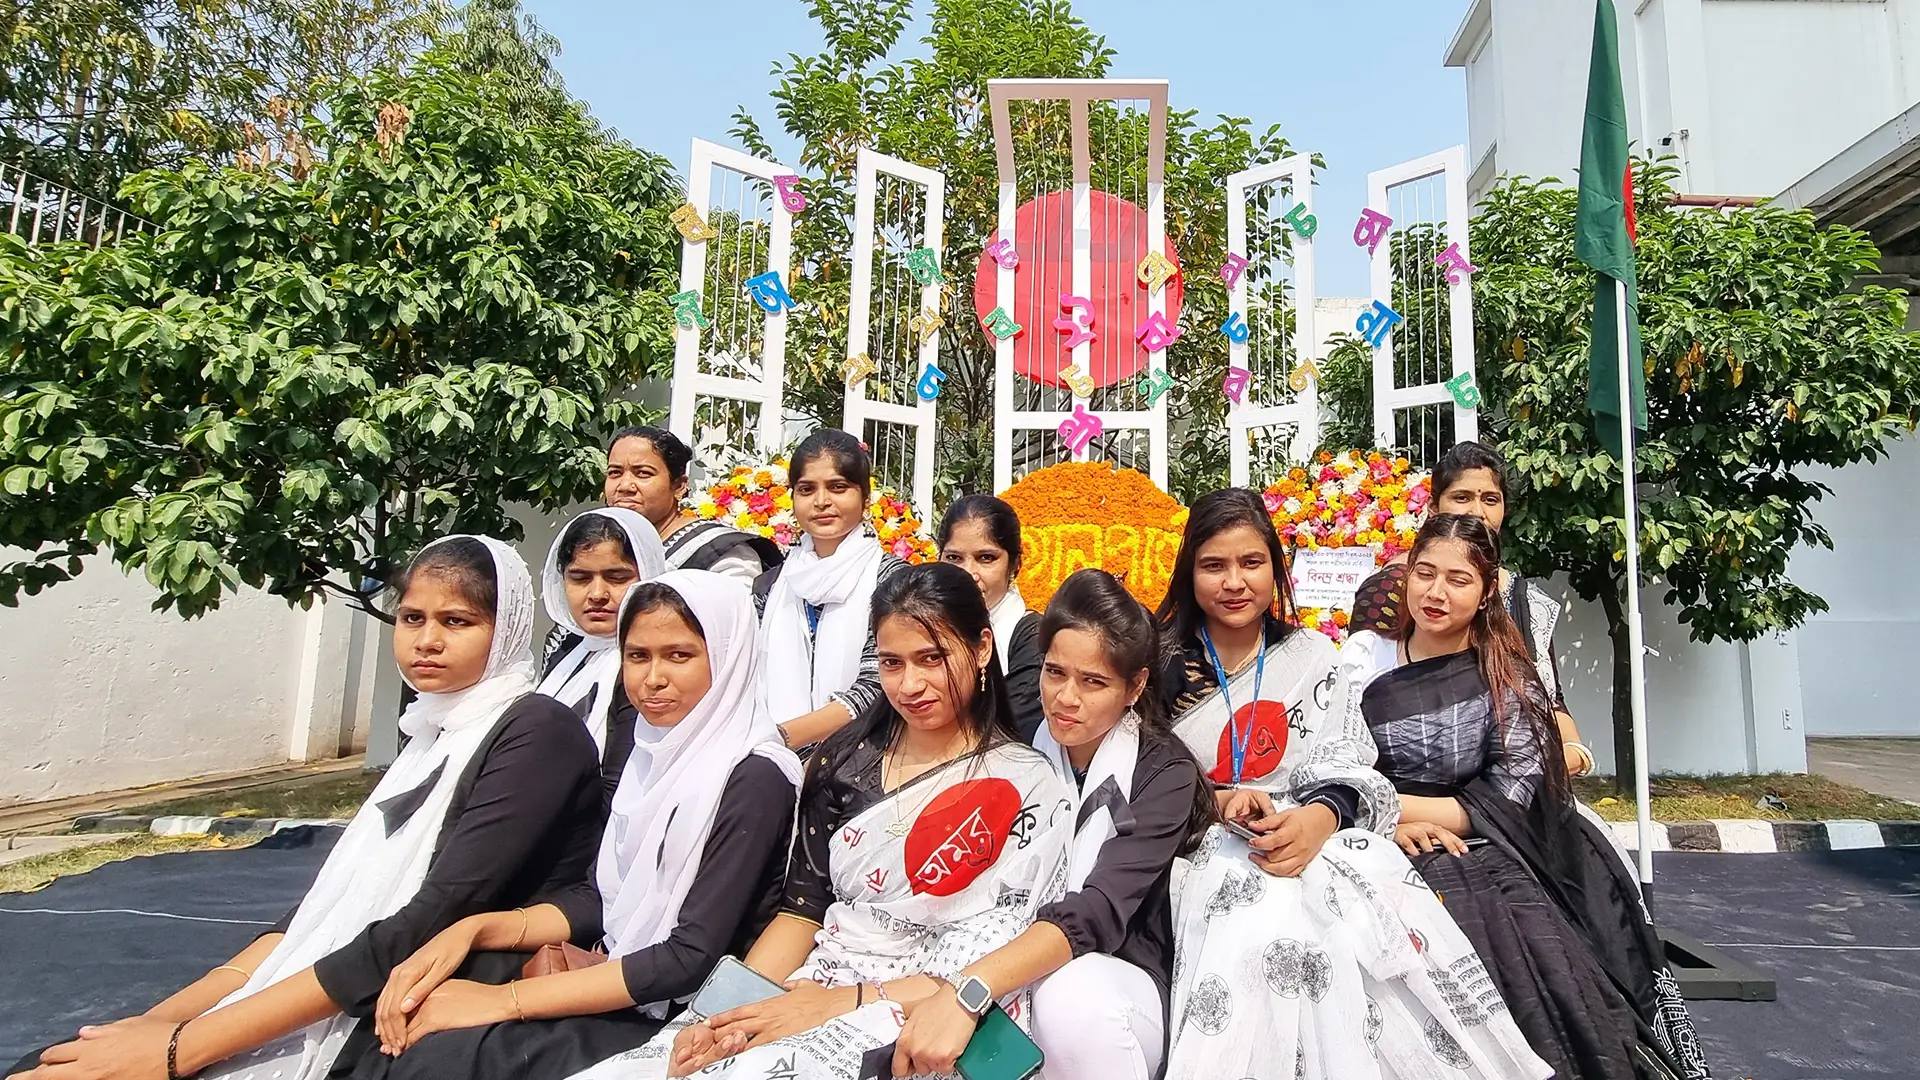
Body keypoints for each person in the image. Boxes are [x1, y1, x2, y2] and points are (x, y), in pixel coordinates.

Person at [11, 537, 603, 1080]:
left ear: (506, 632)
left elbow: (432, 914)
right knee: (55, 1062)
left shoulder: (535, 731)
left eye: (458, 621)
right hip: (357, 975)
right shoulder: (432, 731)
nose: (427, 640)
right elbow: (319, 914)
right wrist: (158, 1024)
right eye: (412, 618)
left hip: (430, 992)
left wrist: (178, 1052)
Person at [573, 563, 1074, 1080]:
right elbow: (801, 914)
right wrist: (721, 1013)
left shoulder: (1026, 783)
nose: (911, 684)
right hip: (815, 981)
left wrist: (843, 1004)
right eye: (891, 662)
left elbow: (996, 948)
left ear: (983, 648)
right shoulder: (845, 758)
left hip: (936, 1010)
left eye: (932, 658)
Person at [1155, 490, 1548, 1080]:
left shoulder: (1314, 656)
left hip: (1316, 832)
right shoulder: (1159, 665)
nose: (1234, 582)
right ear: (1189, 572)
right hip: (1198, 838)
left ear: (1276, 568)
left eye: (1251, 563)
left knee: (1354, 928)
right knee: (1258, 925)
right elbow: (1140, 772)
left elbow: (1347, 755)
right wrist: (1216, 802)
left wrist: (1320, 818)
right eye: (1214, 565)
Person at [346, 571, 802, 1080]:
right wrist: (473, 930)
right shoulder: (653, 752)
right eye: (637, 656)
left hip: (686, 1016)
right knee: (411, 1017)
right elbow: (599, 896)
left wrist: (501, 1001)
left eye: (679, 656)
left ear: (730, 657)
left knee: (447, 1054)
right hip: (620, 976)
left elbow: (689, 957)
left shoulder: (753, 775)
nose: (652, 679)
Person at [1343, 513, 1709, 1080]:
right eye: (1424, 573)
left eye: (1458, 580)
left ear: (1488, 589)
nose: (1435, 593)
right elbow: (1331, 763)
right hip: (1372, 838)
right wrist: (1379, 821)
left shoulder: (1508, 673)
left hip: (1497, 841)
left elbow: (1509, 794)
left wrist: (1379, 803)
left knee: (1523, 935)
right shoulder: (1362, 658)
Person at [890, 568, 1213, 1080]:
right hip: (992, 953)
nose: (1066, 697)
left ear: (1136, 686)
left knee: (1071, 996)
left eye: (1094, 682)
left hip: (1116, 980)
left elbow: (1100, 911)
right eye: (1055, 672)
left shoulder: (1163, 773)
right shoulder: (1016, 745)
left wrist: (969, 989)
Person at [1349, 441, 1596, 778]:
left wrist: (1573, 753)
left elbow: (1551, 701)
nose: (1477, 511)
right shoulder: (1393, 588)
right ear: (1434, 508)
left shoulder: (1526, 601)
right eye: (1462, 497)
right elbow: (1363, 702)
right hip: (1410, 782)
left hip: (1514, 780)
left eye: (1490, 499)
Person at [754, 429, 908, 750]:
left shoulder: (893, 579)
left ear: (865, 498)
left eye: (838, 487)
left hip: (863, 758)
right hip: (773, 762)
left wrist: (780, 738)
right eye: (807, 489)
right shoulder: (771, 584)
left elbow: (879, 683)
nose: (821, 501)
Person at [536, 508, 668, 796]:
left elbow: (619, 784)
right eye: (580, 578)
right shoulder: (567, 652)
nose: (597, 594)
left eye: (617, 577)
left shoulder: (652, 668)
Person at [603, 426, 782, 584]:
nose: (624, 486)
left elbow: (733, 617)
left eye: (643, 473)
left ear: (679, 486)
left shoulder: (721, 552)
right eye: (615, 473)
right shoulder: (599, 540)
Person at [937, 494, 1044, 742]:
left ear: (1015, 564)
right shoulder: (919, 625)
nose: (968, 573)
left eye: (986, 558)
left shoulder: (1031, 636)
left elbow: (1014, 727)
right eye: (954, 558)